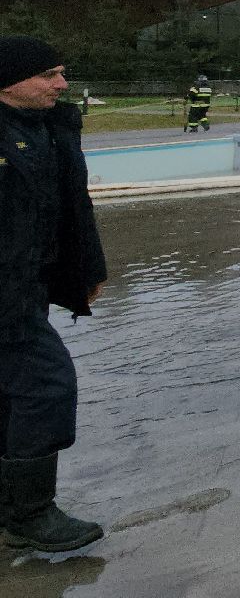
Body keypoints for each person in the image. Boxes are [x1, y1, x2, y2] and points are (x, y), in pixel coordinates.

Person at [0, 35, 109, 553]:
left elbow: (72, 206)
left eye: (61, 72)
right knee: (47, 386)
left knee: (10, 393)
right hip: (7, 291)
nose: (62, 84)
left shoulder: (50, 128)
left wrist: (87, 267)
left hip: (28, 284)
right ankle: (30, 514)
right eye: (48, 74)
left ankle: (12, 510)